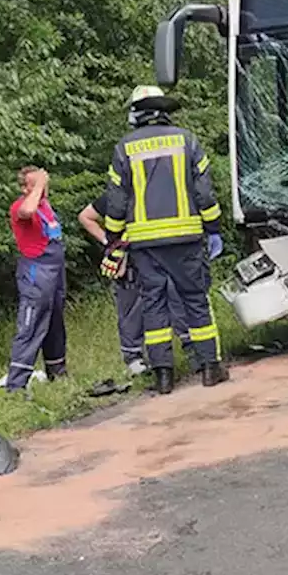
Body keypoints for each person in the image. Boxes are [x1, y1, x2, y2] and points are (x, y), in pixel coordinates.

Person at [100, 86, 227, 395]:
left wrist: (114, 239)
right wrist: (213, 228)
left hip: (145, 245)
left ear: (138, 112)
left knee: (154, 306)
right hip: (186, 239)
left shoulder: (125, 148)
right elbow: (204, 194)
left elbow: (116, 201)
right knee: (195, 300)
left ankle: (163, 377)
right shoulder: (187, 140)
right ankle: (210, 368)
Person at [79, 194, 192, 376]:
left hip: (158, 258)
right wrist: (111, 243)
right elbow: (86, 216)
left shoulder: (157, 190)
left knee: (175, 300)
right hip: (129, 263)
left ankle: (189, 347)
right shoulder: (116, 196)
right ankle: (134, 359)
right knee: (131, 309)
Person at [0, 166, 68, 393]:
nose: (42, 188)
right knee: (30, 325)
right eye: (35, 183)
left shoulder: (46, 206)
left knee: (55, 322)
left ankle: (57, 373)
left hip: (55, 271)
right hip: (35, 272)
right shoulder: (21, 206)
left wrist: (40, 188)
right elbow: (27, 212)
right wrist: (37, 185)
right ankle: (16, 384)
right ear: (24, 187)